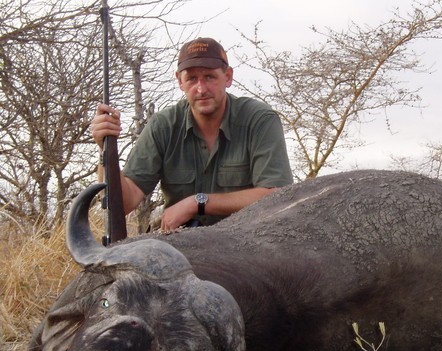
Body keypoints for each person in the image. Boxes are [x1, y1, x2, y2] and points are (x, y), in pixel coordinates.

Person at [91, 37, 293, 230]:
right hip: (178, 243)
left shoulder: (259, 119)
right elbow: (123, 204)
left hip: (245, 242)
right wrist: (105, 148)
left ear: (228, 77)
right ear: (180, 81)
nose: (201, 88)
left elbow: (276, 195)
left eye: (209, 77)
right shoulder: (163, 126)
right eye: (192, 79)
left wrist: (197, 203)